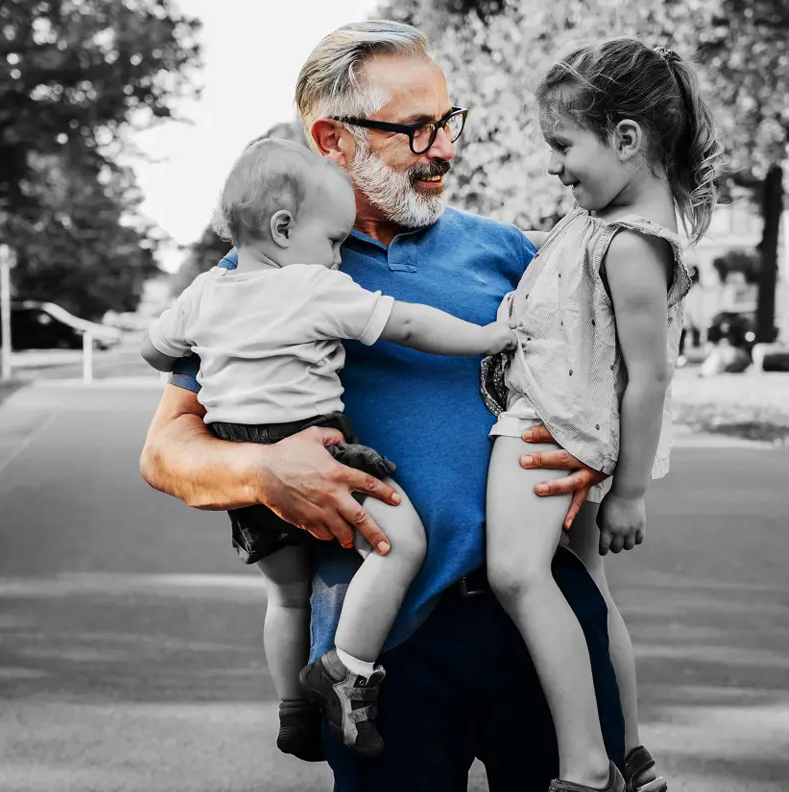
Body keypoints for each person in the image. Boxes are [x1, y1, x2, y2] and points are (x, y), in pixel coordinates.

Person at [140, 20, 622, 791]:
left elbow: (612, 373)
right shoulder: (258, 274)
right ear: (331, 139)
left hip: (541, 614)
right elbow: (165, 451)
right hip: (384, 647)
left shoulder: (510, 251)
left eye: (448, 120)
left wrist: (598, 450)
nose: (444, 148)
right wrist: (265, 470)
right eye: (416, 129)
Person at [139, 136, 513, 761]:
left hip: (242, 459)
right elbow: (410, 325)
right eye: (334, 240)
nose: (340, 257)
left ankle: (292, 712)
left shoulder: (205, 292)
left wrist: (207, 348)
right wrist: (488, 335)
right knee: (399, 547)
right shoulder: (315, 286)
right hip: (314, 448)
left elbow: (154, 351)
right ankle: (348, 668)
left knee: (285, 595)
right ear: (285, 230)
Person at [478, 38, 721, 792]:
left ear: (625, 138)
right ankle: (631, 747)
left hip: (550, 427)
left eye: (563, 145)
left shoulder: (628, 245)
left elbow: (649, 377)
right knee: (584, 588)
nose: (554, 166)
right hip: (571, 423)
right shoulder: (597, 226)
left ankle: (585, 760)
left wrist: (631, 491)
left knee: (517, 573)